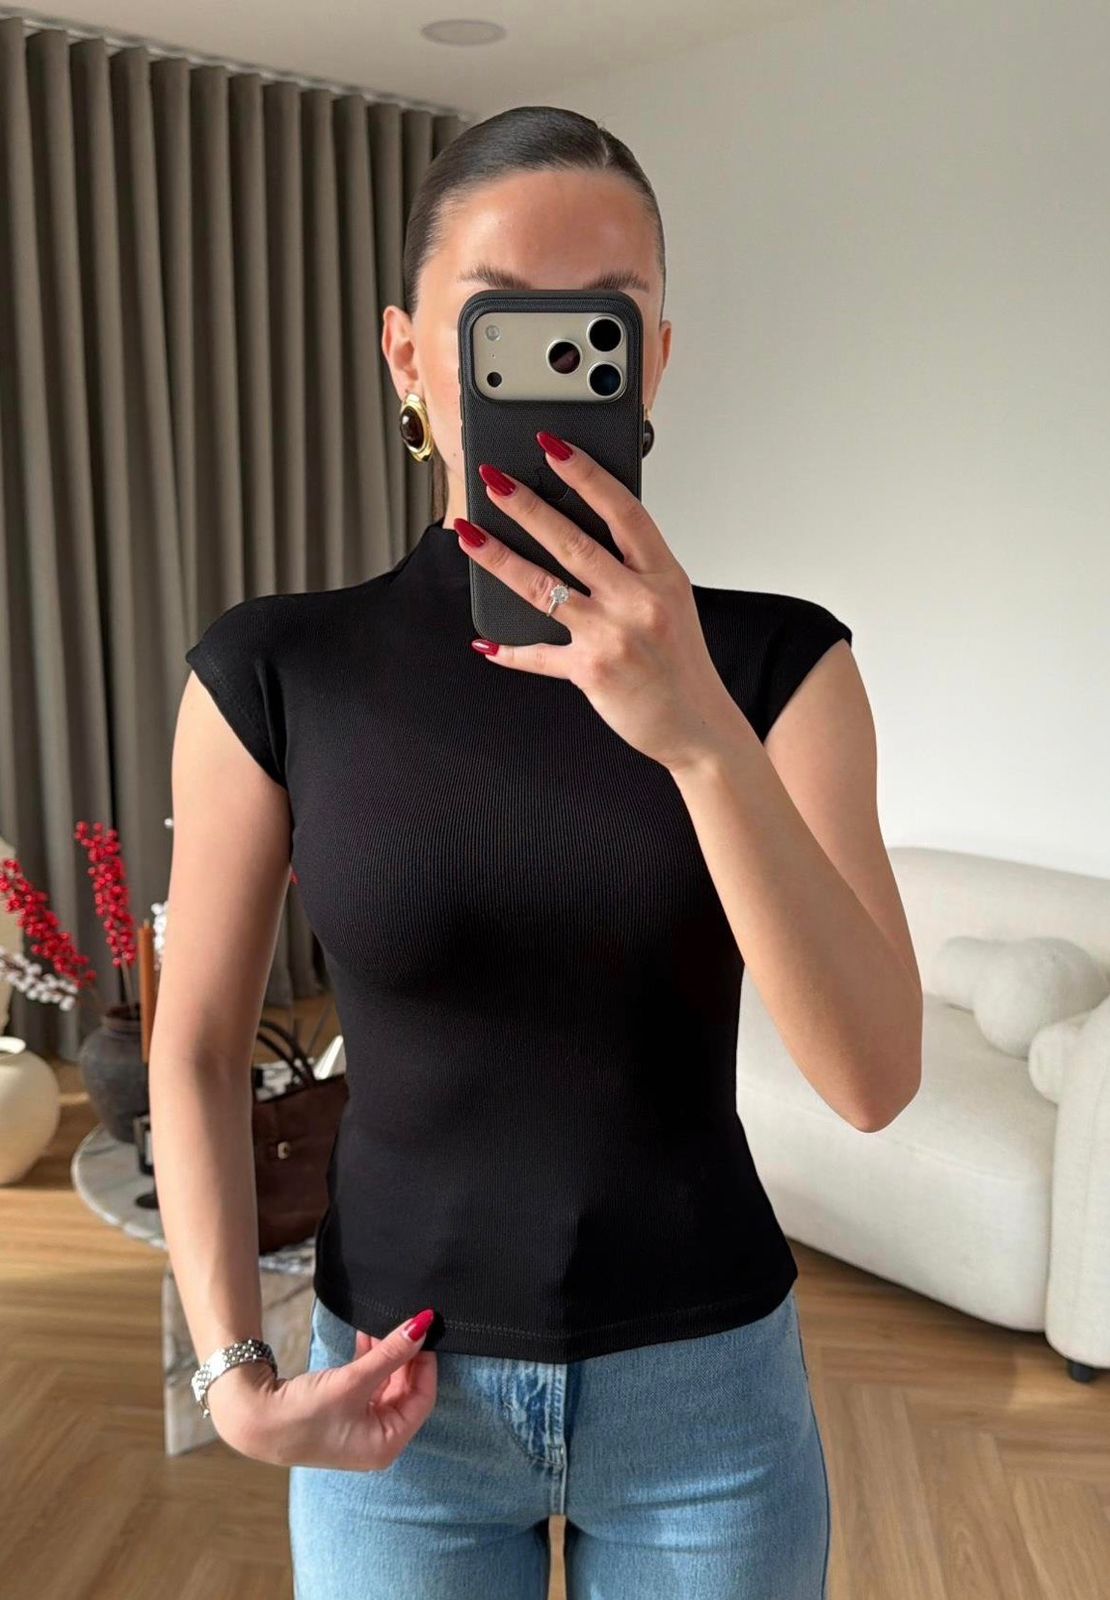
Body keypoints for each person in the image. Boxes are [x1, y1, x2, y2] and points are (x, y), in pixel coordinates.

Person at [151, 104, 922, 1600]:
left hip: (709, 1395)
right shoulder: (272, 671)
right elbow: (192, 1047)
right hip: (391, 1397)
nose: (557, 354)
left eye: (604, 320)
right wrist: (233, 1372)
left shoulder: (782, 668)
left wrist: (700, 736)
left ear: (655, 362)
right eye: (501, 317)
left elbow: (873, 1078)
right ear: (409, 359)